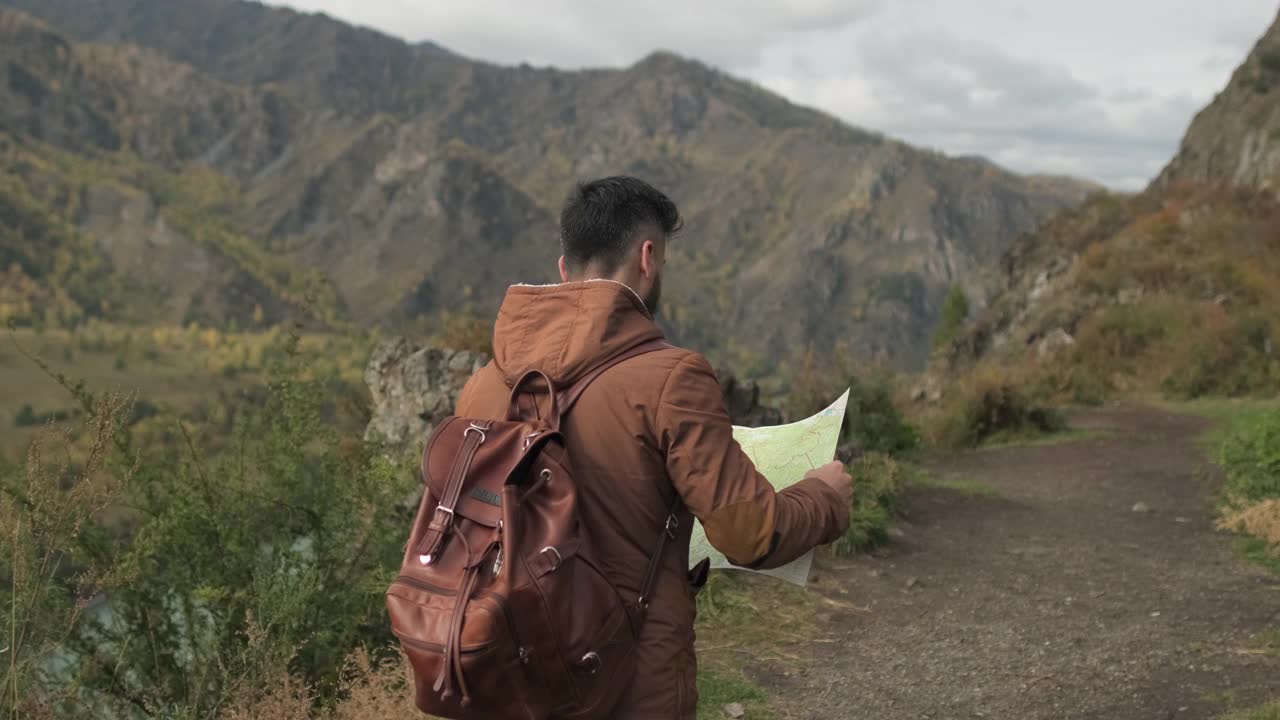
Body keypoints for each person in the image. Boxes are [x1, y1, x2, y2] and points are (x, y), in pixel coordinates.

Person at [454, 175, 853, 719]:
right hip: (624, 681)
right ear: (648, 257)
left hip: (510, 671)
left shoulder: (481, 387)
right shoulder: (672, 379)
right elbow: (751, 534)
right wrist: (824, 496)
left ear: (564, 269)